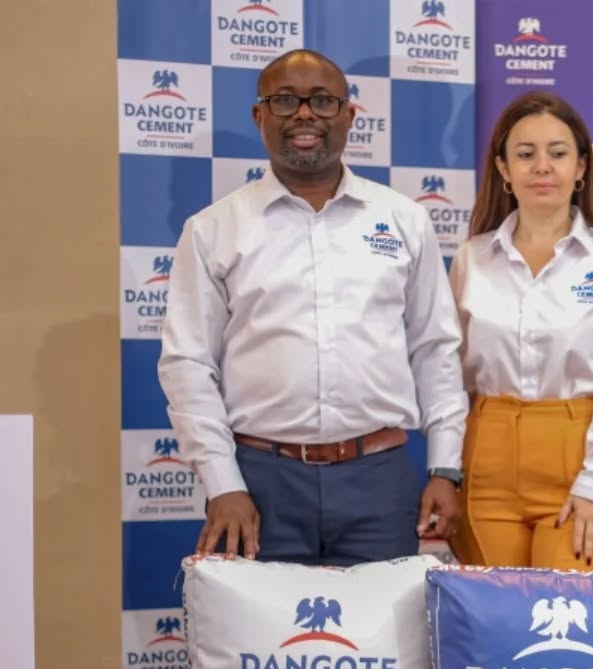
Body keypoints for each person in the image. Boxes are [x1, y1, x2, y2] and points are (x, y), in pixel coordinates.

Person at [158, 49, 467, 566]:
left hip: (380, 478)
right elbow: (187, 365)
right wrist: (222, 484)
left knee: (386, 644)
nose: (304, 115)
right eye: (285, 101)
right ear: (260, 117)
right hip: (260, 482)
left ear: (349, 115)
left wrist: (445, 468)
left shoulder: (404, 221)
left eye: (322, 101)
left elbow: (434, 349)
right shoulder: (212, 230)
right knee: (260, 647)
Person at [448, 92, 593, 570]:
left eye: (558, 153)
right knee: (494, 624)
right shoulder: (471, 259)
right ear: (502, 168)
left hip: (580, 456)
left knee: (561, 627)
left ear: (582, 166)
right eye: (525, 154)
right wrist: (450, 472)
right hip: (487, 458)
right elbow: (450, 378)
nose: (542, 166)